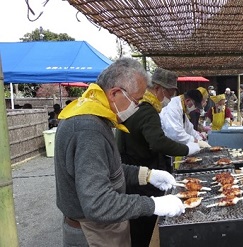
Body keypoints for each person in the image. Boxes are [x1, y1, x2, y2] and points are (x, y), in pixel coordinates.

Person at [54, 58, 185, 247]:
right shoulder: (87, 129)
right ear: (115, 93)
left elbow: (107, 169)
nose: (137, 106)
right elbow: (98, 203)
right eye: (136, 100)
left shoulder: (93, 115)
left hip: (101, 228)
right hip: (92, 234)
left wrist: (147, 175)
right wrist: (153, 205)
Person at [115, 67, 200, 246]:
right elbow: (157, 142)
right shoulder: (147, 110)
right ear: (159, 89)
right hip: (141, 172)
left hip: (133, 170)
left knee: (137, 224)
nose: (168, 97)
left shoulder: (141, 107)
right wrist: (187, 149)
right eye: (168, 92)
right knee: (145, 224)